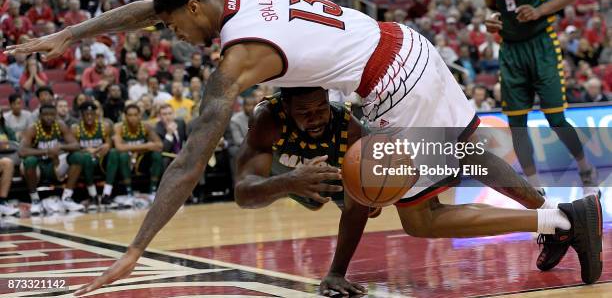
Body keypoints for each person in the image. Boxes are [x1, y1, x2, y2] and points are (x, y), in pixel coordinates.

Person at [6, 0, 602, 294]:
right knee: (466, 154)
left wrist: (137, 249)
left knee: (421, 219)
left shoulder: (237, 63)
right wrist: (74, 35)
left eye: (172, 28)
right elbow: (149, 5)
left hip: (393, 85)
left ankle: (562, 220)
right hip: (408, 46)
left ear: (193, 12)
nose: (171, 38)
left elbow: (189, 162)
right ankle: (560, 218)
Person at [234, 87, 593, 295]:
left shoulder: (349, 124)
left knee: (457, 153)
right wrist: (288, 183)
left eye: (319, 110)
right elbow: (244, 194)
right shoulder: (268, 118)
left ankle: (555, 216)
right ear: (286, 109)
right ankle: (558, 217)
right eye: (304, 113)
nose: (314, 118)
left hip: (351, 163)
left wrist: (337, 271)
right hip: (293, 176)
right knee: (455, 159)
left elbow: (357, 208)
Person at [481, 0, 599, 195]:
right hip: (511, 51)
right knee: (517, 124)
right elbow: (491, 6)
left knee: (555, 118)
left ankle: (585, 167)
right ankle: (535, 189)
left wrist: (539, 11)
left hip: (542, 46)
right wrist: (490, 20)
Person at [19, 104, 84, 214]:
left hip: (54, 162)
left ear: (56, 116)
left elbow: (76, 145)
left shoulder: (60, 125)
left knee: (78, 156)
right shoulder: (33, 128)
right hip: (37, 165)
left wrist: (61, 146)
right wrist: (46, 151)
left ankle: (67, 198)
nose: (49, 117)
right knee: (29, 160)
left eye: (52, 115)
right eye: (45, 115)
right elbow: (22, 151)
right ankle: (35, 200)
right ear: (40, 116)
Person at [112, 104, 163, 205]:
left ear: (140, 115)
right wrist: (146, 146)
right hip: (125, 161)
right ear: (125, 116)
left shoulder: (146, 126)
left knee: (157, 155)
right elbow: (119, 147)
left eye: (136, 115)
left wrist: (133, 149)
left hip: (142, 162)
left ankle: (153, 191)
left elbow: (159, 145)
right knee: (123, 155)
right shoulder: (119, 127)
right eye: (130, 115)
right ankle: (129, 192)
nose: (133, 118)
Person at [72, 101, 118, 210]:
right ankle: (93, 196)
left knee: (114, 153)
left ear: (95, 114)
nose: (89, 117)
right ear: (82, 115)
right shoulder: (75, 128)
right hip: (85, 161)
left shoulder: (104, 127)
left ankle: (106, 195)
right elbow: (73, 148)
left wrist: (106, 146)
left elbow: (109, 144)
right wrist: (86, 150)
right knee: (87, 157)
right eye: (86, 114)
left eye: (91, 114)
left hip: (101, 159)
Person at [0, 112, 19, 216]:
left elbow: (16, 144)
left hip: (3, 158)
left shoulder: (4, 128)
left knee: (8, 163)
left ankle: (1, 202)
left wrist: (6, 146)